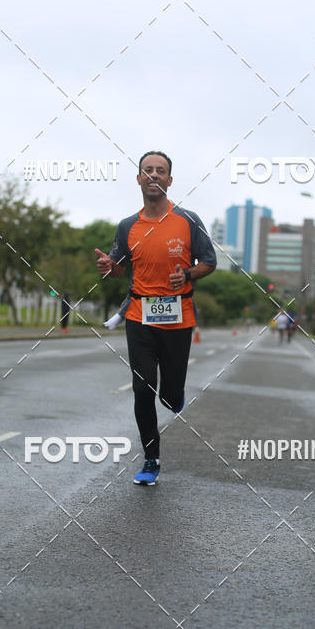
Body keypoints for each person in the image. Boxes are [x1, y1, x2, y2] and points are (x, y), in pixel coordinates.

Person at [95, 150, 217, 485]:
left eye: (160, 171)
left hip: (178, 318)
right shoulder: (127, 226)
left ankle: (174, 394)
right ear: (138, 179)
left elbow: (210, 261)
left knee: (169, 394)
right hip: (140, 316)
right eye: (147, 170)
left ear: (169, 180)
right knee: (142, 386)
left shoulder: (188, 220)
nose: (153, 175)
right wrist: (110, 267)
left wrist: (188, 275)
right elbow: (119, 268)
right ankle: (151, 459)